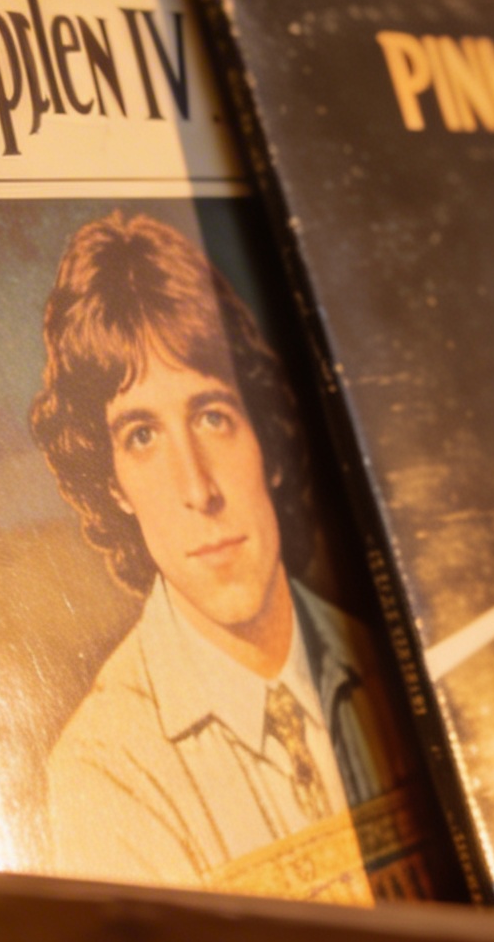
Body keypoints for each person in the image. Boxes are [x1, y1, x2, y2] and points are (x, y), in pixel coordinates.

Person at [27, 211, 414, 899]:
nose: (198, 489)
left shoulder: (394, 656)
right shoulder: (106, 771)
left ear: (263, 438)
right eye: (142, 436)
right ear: (112, 482)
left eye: (213, 416)